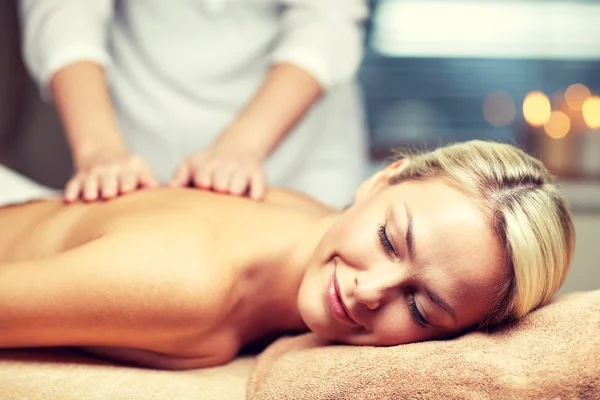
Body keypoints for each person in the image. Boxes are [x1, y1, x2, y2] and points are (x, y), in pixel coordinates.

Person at [0, 141, 575, 370]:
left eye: (421, 309)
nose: (370, 292)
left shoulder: (306, 212)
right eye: (388, 241)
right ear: (380, 181)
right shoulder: (188, 286)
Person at [18, 0, 369, 208]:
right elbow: (63, 12)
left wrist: (244, 145)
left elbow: (328, 19)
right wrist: (99, 150)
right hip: (136, 136)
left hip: (301, 146)